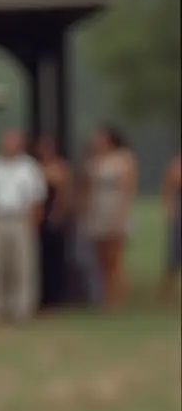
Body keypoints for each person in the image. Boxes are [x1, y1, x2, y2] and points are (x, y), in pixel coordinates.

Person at [0, 128, 47, 322]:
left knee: (22, 265)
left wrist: (32, 224)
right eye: (7, 141)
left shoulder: (29, 168)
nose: (10, 145)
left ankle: (22, 307)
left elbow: (37, 199)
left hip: (20, 220)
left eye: (14, 141)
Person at [79, 123, 137, 310]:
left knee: (115, 259)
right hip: (97, 209)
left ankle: (118, 299)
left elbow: (129, 187)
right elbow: (87, 186)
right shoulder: (95, 160)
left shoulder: (124, 159)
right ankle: (106, 298)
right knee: (102, 259)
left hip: (115, 208)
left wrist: (122, 213)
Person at [33, 134, 74, 309]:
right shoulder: (33, 167)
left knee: (55, 259)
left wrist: (59, 214)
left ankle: (55, 299)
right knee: (39, 259)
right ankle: (40, 297)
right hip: (37, 217)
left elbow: (65, 194)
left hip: (53, 216)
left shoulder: (60, 168)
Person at [160, 152, 181, 304]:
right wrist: (170, 210)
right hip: (179, 219)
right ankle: (166, 295)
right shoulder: (177, 164)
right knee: (174, 257)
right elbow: (168, 187)